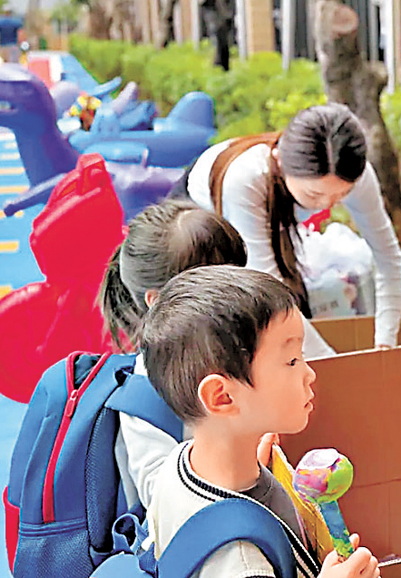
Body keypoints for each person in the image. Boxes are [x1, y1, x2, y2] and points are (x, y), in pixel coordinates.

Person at [141, 265, 381, 578]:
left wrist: (250, 456)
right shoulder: (240, 564)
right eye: (292, 361)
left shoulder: (179, 463)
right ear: (223, 397)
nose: (310, 374)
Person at [100, 199, 336, 511]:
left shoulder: (239, 354)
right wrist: (241, 468)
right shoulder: (145, 399)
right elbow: (161, 505)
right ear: (158, 301)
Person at [182, 103, 401, 349]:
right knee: (225, 326)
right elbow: (269, 292)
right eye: (314, 194)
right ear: (280, 160)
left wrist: (385, 343)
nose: (326, 204)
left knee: (297, 307)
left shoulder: (357, 175)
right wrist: (333, 365)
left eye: (341, 195)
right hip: (199, 222)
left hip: (275, 215)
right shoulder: (246, 179)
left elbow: (388, 257)